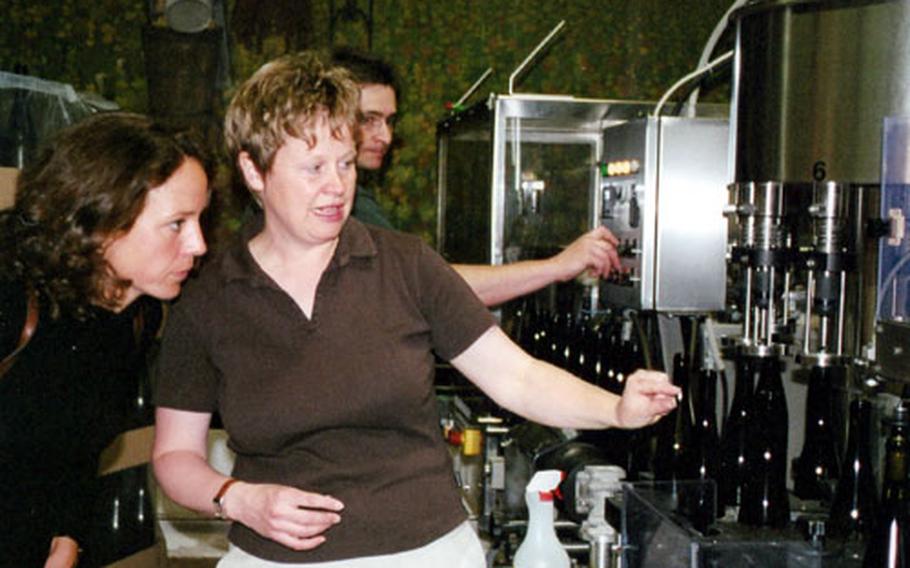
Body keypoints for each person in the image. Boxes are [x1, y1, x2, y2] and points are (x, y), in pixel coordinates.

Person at [151, 50, 679, 567]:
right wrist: (236, 498)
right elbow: (175, 456)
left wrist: (614, 409)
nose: (337, 186)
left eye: (344, 163)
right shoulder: (210, 297)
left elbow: (518, 378)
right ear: (253, 171)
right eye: (313, 168)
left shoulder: (404, 265)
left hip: (429, 552)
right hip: (273, 560)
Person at [0, 112, 210, 567]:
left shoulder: (138, 314)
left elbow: (78, 450)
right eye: (177, 223)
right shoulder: (12, 297)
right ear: (100, 218)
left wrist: (67, 537)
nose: (198, 244)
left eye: (200, 220)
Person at [332, 48, 622, 307]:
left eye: (389, 121)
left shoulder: (358, 200)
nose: (385, 136)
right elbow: (433, 287)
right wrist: (558, 266)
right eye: (368, 119)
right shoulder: (346, 206)